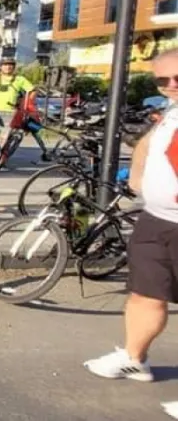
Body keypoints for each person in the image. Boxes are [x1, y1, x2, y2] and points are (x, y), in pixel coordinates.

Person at [83, 48, 178, 418]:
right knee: (146, 293)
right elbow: (150, 142)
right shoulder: (171, 111)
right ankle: (134, 358)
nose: (171, 86)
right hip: (157, 219)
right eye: (162, 80)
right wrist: (138, 176)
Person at [0, 57, 34, 161]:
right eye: (5, 64)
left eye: (11, 65)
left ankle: (1, 159)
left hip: (10, 112)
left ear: (14, 67)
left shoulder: (19, 79)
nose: (8, 67)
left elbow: (32, 90)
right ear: (1, 67)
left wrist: (27, 103)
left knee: (6, 137)